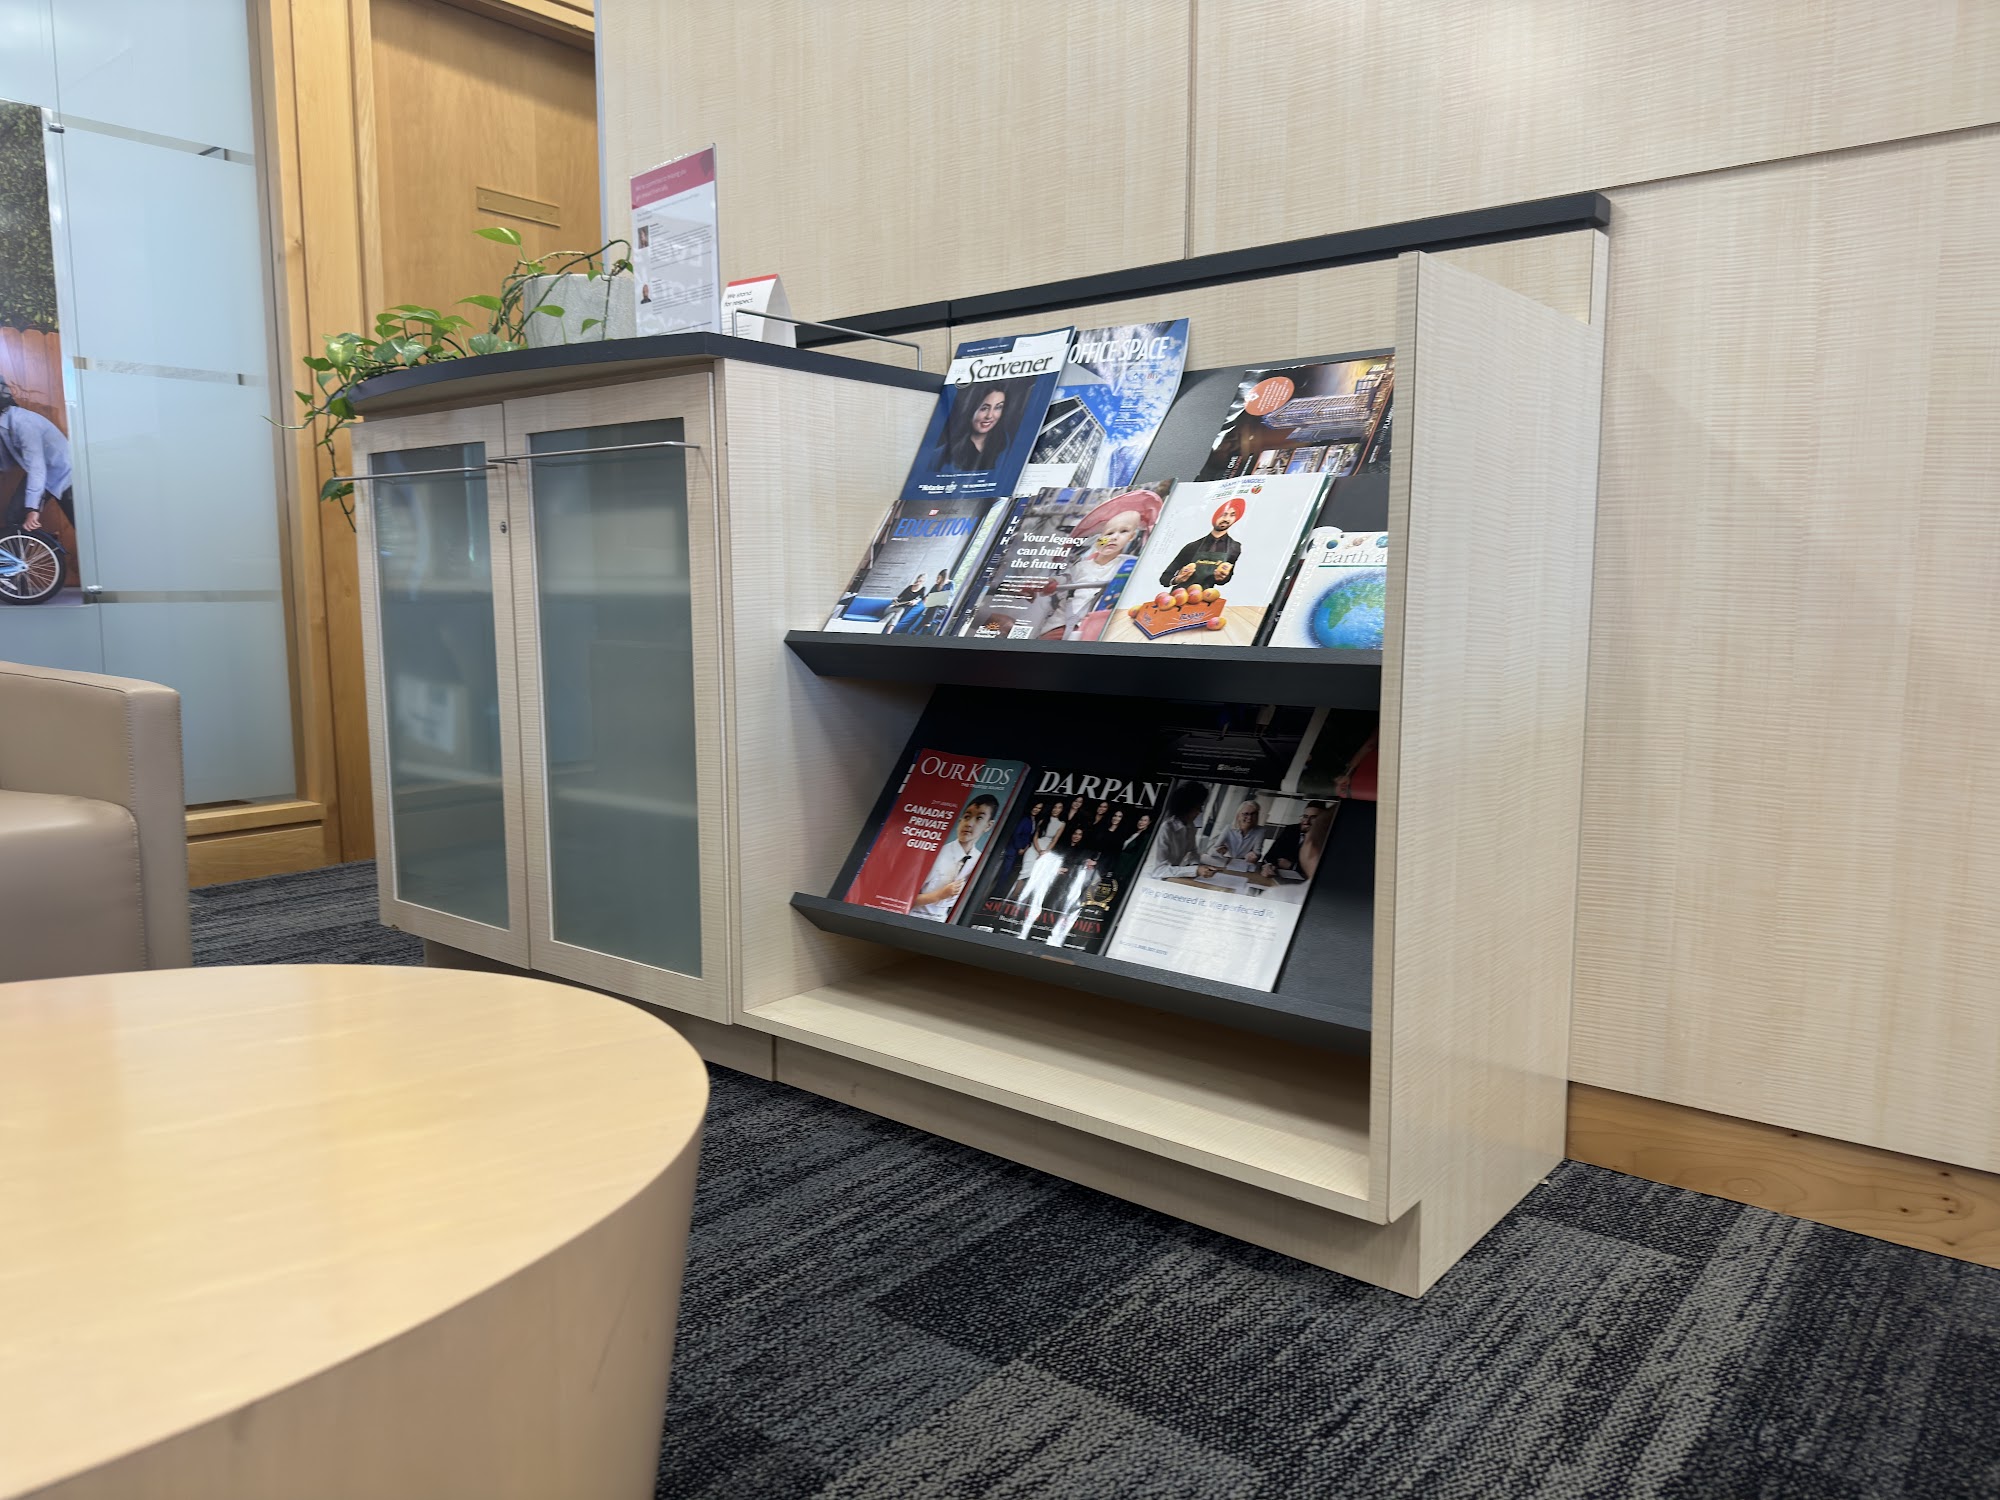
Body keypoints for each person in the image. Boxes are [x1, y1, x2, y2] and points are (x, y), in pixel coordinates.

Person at [1027, 505, 1148, 640]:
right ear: (1099, 538)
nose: (1114, 537)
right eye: (1109, 533)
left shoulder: (1129, 565)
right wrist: (1048, 583)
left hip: (1094, 627)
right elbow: (1063, 579)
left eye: (1124, 531)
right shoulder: (1081, 567)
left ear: (1131, 536)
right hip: (1061, 624)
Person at [0, 390, 75, 543]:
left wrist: (32, 509)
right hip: (45, 474)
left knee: (83, 525)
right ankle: (21, 557)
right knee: (14, 516)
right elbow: (5, 463)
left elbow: (36, 468)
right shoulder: (4, 425)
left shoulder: (23, 424)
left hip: (66, 475)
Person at [911, 793, 999, 922]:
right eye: (967, 817)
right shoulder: (936, 854)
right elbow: (904, 898)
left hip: (943, 922)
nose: (969, 824)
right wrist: (940, 895)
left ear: (989, 825)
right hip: (913, 917)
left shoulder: (979, 861)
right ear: (960, 820)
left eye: (979, 818)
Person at [1158, 497, 1245, 590]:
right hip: (1180, 596)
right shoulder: (1192, 546)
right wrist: (1177, 579)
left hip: (1207, 597)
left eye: (1232, 515)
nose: (1226, 519)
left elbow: (1227, 579)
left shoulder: (1235, 547)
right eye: (1223, 514)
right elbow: (1165, 578)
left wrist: (1221, 577)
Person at [1148, 783, 1217, 880]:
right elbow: (1159, 871)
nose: (1200, 812)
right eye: (1197, 807)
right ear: (1186, 807)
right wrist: (1195, 870)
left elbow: (1193, 851)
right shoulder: (1165, 828)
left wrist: (1196, 865)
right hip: (1152, 878)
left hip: (1171, 877)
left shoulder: (1190, 826)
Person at [938, 384, 1008, 472]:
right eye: (984, 408)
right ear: (971, 409)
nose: (989, 416)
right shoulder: (943, 454)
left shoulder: (1005, 444)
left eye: (998, 407)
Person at [1263, 800, 1331, 880]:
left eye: (1313, 818)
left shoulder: (1326, 838)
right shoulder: (1291, 830)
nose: (1307, 821)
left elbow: (1321, 870)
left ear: (1322, 820)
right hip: (1279, 876)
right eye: (1305, 816)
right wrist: (1269, 865)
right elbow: (1270, 855)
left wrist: (1293, 866)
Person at [1206, 797, 1266, 870]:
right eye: (1246, 814)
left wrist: (1254, 857)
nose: (1249, 817)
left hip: (1244, 865)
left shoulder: (1260, 831)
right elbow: (1211, 851)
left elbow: (1258, 853)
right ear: (1238, 815)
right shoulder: (1228, 828)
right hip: (1226, 862)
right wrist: (1218, 851)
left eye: (1253, 814)